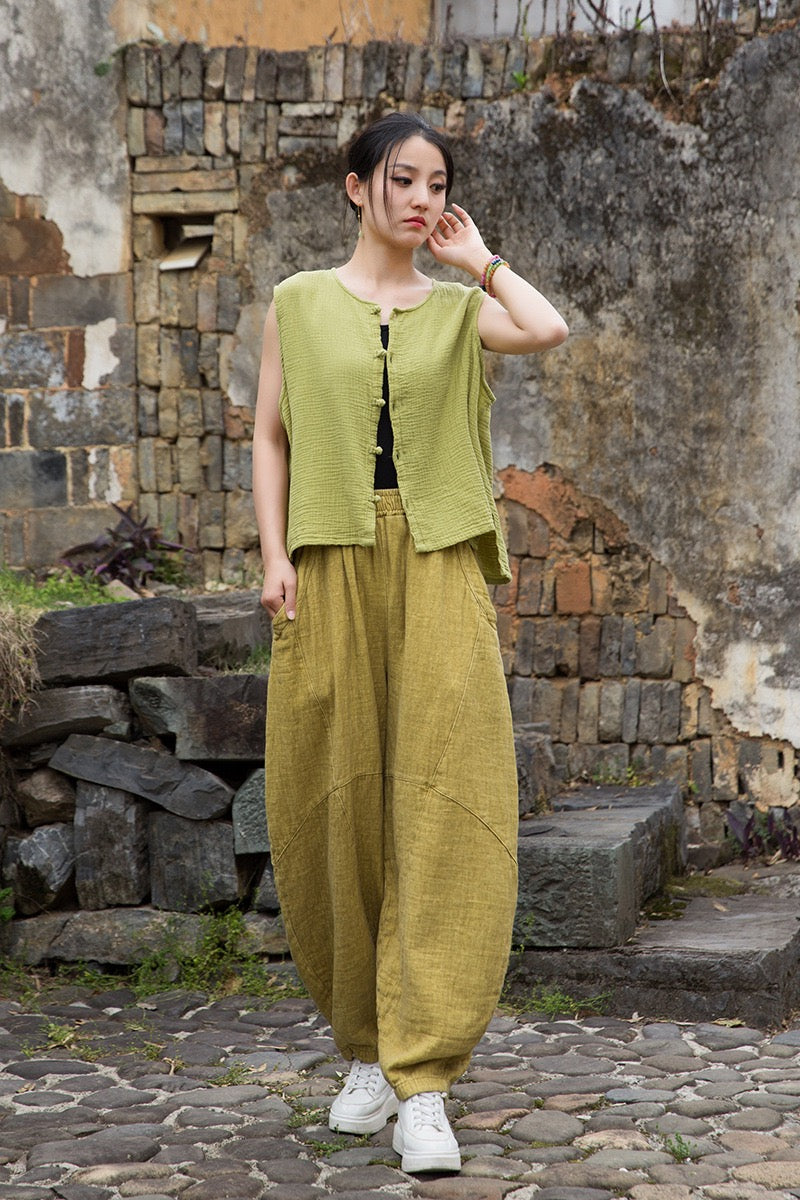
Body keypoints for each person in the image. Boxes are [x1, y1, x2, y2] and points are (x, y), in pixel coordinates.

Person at [253, 110, 568, 1174]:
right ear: (357, 187)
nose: (421, 199)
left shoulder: (459, 312)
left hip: (438, 562)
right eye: (402, 179)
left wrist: (480, 263)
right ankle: (362, 1051)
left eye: (437, 183)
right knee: (331, 797)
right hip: (328, 559)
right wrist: (274, 553)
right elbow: (269, 435)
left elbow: (547, 329)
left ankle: (423, 1080)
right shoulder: (297, 302)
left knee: (444, 798)